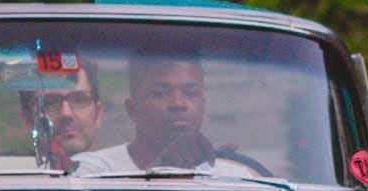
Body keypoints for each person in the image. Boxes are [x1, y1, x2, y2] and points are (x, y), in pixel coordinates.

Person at [70, 51, 268, 177]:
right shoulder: (92, 171)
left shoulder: (233, 177)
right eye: (161, 93)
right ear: (132, 109)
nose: (178, 104)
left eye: (190, 93)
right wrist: (163, 168)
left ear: (203, 106)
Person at [0, 49, 105, 170]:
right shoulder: (3, 177)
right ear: (28, 120)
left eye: (79, 100)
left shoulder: (123, 176)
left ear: (98, 113)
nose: (66, 113)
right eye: (50, 103)